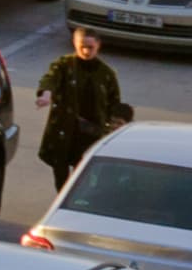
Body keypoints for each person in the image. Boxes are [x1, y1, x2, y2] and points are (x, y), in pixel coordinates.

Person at [34, 27, 126, 190]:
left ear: (98, 45)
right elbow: (50, 79)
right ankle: (62, 197)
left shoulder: (106, 74)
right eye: (81, 46)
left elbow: (114, 103)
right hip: (64, 129)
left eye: (90, 47)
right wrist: (46, 94)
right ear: (74, 44)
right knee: (60, 171)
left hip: (90, 132)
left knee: (83, 172)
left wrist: (117, 124)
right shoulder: (64, 65)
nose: (86, 51)